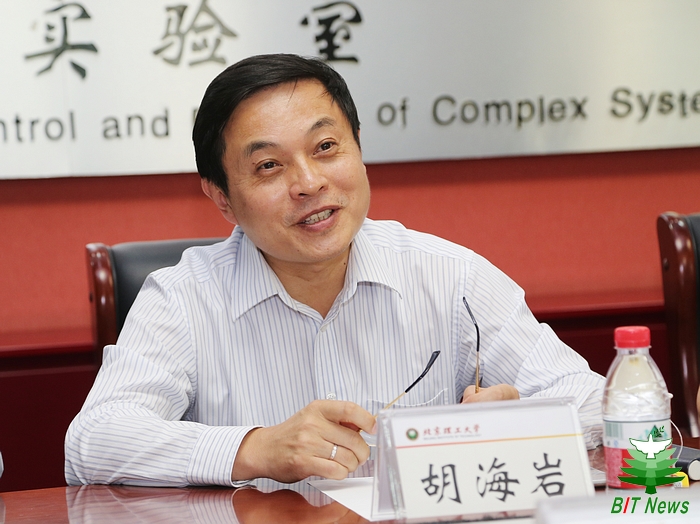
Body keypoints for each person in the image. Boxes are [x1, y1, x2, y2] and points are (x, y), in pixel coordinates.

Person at [65, 54, 604, 487]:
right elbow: (93, 442)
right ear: (222, 198)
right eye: (269, 166)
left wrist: (523, 426)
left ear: (359, 149)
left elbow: (598, 399)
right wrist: (255, 448)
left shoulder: (451, 277)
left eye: (326, 147)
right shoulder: (182, 298)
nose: (309, 183)